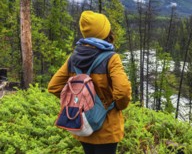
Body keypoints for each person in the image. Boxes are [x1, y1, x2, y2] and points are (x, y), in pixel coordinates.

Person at [48, 10, 131, 154]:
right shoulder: (111, 58)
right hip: (107, 129)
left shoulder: (74, 57)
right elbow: (123, 91)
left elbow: (54, 86)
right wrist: (116, 106)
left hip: (82, 124)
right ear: (104, 31)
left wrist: (77, 103)